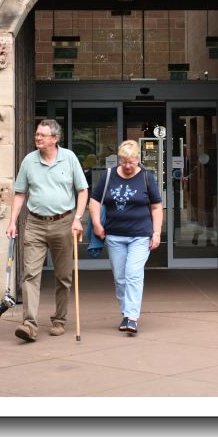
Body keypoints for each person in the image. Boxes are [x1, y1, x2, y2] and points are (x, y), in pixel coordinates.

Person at [6, 119, 88, 342]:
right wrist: (12, 221)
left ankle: (59, 320)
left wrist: (78, 218)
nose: (38, 138)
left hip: (64, 222)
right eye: (37, 134)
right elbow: (20, 194)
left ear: (55, 138)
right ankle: (29, 324)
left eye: (42, 135)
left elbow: (82, 191)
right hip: (35, 224)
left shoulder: (69, 158)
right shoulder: (29, 161)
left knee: (63, 276)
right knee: (30, 274)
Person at [88, 140, 163, 336]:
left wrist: (156, 232)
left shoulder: (147, 176)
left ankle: (132, 317)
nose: (128, 166)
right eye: (124, 162)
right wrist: (96, 223)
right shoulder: (109, 175)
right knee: (120, 278)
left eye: (131, 162)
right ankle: (125, 313)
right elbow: (95, 200)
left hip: (140, 235)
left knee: (133, 274)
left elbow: (156, 206)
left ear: (138, 159)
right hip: (114, 235)